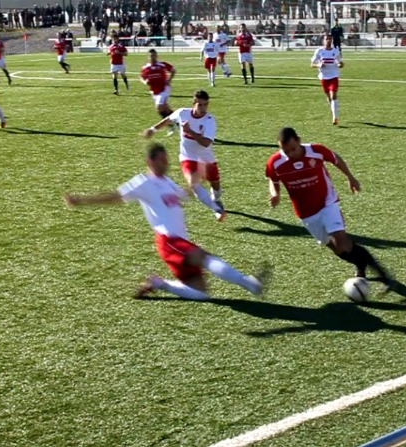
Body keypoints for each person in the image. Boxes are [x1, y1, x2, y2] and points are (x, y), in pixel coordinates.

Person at [64, 143, 268, 300]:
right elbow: (116, 197)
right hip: (168, 240)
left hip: (180, 241)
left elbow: (185, 195)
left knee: (202, 293)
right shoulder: (143, 182)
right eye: (161, 160)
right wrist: (82, 200)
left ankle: (160, 284)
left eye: (167, 160)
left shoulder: (167, 182)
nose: (166, 163)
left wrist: (197, 176)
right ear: (150, 161)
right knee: (204, 256)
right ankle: (250, 283)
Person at [266, 127, 392, 294]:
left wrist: (350, 177)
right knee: (337, 249)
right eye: (285, 151)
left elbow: (335, 159)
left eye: (293, 149)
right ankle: (360, 263)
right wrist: (275, 194)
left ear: (298, 140)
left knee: (340, 239)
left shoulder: (316, 151)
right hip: (306, 213)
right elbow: (273, 179)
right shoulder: (275, 162)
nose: (290, 154)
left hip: (327, 203)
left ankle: (384, 275)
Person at [142, 90, 226, 221]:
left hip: (206, 159)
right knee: (193, 184)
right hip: (188, 157)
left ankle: (216, 200)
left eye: (205, 105)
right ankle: (216, 208)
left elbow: (206, 143)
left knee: (217, 189)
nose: (203, 108)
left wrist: (189, 131)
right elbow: (168, 119)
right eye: (200, 105)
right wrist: (153, 129)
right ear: (194, 103)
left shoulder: (209, 120)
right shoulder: (182, 113)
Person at [140, 49, 177, 135]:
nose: (152, 57)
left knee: (159, 107)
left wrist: (169, 80)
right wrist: (145, 82)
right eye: (150, 56)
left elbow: (173, 70)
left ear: (156, 56)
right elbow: (142, 77)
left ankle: (170, 125)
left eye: (154, 55)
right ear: (148, 57)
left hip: (164, 88)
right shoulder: (145, 67)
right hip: (154, 91)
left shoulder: (162, 64)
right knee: (166, 108)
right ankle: (178, 120)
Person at [311, 34, 343, 125]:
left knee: (333, 95)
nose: (328, 40)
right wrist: (319, 65)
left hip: (334, 75)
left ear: (331, 40)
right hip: (324, 76)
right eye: (326, 39)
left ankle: (335, 117)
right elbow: (312, 64)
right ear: (323, 41)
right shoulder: (319, 51)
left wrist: (340, 64)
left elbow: (341, 63)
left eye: (329, 39)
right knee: (329, 97)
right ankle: (333, 108)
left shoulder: (335, 51)